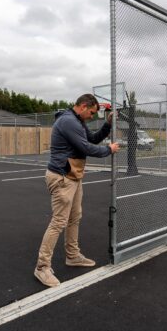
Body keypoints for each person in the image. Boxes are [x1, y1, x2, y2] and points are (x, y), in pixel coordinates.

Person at [34, 93, 119, 287]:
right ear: (82, 106)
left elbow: (93, 139)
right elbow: (86, 147)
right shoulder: (68, 122)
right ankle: (41, 267)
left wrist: (107, 124)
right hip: (63, 177)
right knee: (59, 221)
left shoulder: (77, 122)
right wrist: (109, 149)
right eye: (91, 112)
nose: (91, 116)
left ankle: (72, 256)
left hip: (73, 176)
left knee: (75, 217)